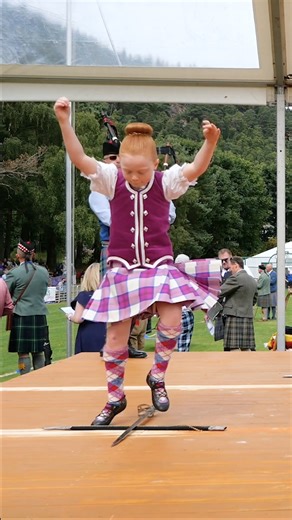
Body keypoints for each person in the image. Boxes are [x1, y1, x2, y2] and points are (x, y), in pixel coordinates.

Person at [54, 96, 221, 425]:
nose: (134, 176)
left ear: (155, 164)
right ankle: (115, 398)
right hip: (124, 271)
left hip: (159, 267)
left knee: (172, 321)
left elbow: (195, 168)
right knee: (115, 338)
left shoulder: (166, 183)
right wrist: (65, 122)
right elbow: (81, 160)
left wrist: (210, 143)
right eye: (127, 170)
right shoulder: (112, 181)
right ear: (119, 166)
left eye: (141, 171)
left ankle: (157, 377)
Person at [88, 140, 147, 359]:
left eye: (117, 159)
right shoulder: (99, 187)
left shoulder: (134, 183)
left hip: (135, 246)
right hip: (113, 246)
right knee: (115, 297)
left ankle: (124, 342)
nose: (115, 163)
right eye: (110, 159)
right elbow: (108, 218)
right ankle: (112, 345)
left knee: (135, 298)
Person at [5, 240, 50, 375]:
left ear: (18, 256)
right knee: (39, 351)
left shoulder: (15, 273)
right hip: (40, 314)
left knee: (23, 353)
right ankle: (39, 379)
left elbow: (5, 292)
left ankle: (25, 380)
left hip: (21, 315)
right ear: (33, 254)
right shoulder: (44, 272)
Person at [219, 256, 257, 351]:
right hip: (247, 315)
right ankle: (246, 366)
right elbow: (255, 298)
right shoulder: (252, 279)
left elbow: (219, 292)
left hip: (234, 315)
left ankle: (235, 366)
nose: (230, 270)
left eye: (231, 267)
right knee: (246, 348)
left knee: (233, 348)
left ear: (236, 265)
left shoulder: (235, 278)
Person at [67, 263, 106, 354]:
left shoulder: (84, 296)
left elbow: (78, 319)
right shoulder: (109, 295)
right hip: (106, 331)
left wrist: (69, 316)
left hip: (89, 332)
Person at [174, 254, 195, 352]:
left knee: (181, 345)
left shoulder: (173, 276)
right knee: (183, 347)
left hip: (180, 313)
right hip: (183, 312)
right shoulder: (182, 278)